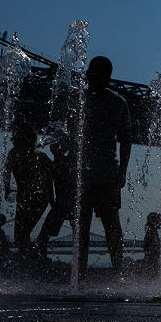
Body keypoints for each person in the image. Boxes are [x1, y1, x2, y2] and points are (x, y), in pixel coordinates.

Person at [74, 56, 131, 276]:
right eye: (91, 72)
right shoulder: (77, 101)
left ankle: (119, 273)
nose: (92, 77)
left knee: (112, 227)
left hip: (107, 174)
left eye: (98, 74)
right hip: (82, 175)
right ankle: (78, 277)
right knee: (81, 228)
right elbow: (68, 134)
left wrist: (122, 172)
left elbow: (126, 139)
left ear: (107, 78)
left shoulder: (117, 102)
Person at [4, 123, 53, 264]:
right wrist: (52, 199)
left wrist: (7, 190)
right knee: (21, 236)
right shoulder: (41, 157)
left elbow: (6, 173)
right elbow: (52, 177)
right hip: (37, 199)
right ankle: (35, 259)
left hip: (32, 199)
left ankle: (32, 260)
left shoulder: (14, 153)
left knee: (21, 236)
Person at [35, 134, 74, 259]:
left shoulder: (54, 165)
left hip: (60, 204)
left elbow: (49, 187)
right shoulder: (69, 163)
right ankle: (80, 267)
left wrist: (53, 203)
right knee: (80, 236)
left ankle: (42, 262)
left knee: (42, 237)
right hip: (71, 204)